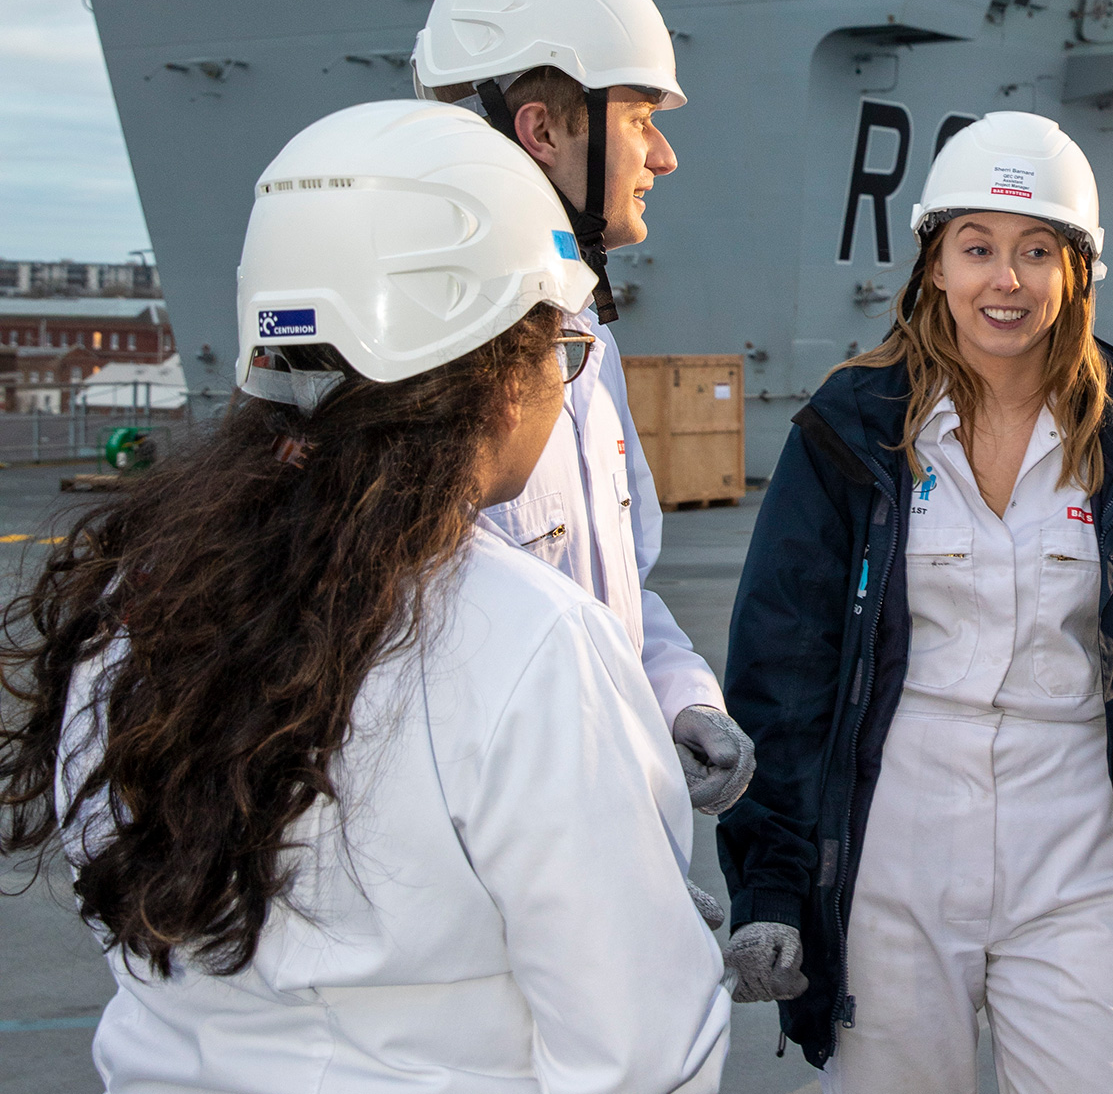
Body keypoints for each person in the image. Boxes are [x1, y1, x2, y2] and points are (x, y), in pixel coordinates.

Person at [0, 101, 730, 1092]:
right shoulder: (530, 639)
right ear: (499, 375)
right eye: (560, 351)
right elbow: (642, 1043)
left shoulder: (132, 607)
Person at [716, 112, 1113, 1093]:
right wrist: (770, 884)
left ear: (1074, 273)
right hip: (896, 842)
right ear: (934, 265)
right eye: (977, 249)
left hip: (1077, 839)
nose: (1003, 281)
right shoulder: (849, 431)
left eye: (1034, 251)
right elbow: (780, 675)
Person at [413, 0, 753, 814]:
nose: (663, 156)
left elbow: (612, 595)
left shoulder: (579, 341)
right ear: (541, 130)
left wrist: (681, 699)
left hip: (600, 822)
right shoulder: (421, 368)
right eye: (641, 118)